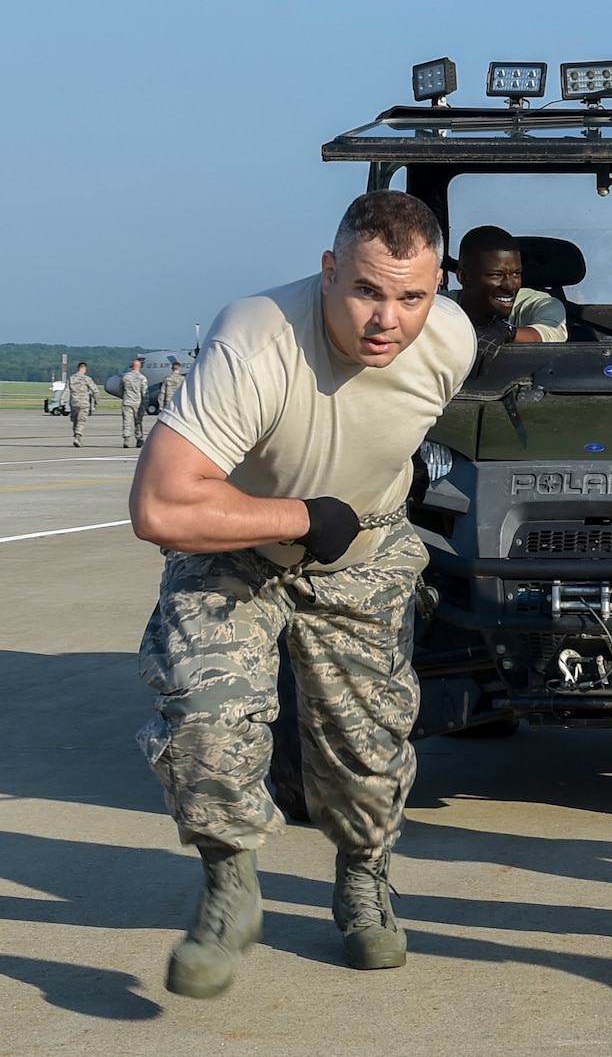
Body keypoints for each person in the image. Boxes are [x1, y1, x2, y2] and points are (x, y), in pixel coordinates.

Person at [131, 191, 475, 1000]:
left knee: (365, 746)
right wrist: (298, 515)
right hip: (235, 545)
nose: (386, 319)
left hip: (363, 550)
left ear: (437, 291)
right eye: (365, 290)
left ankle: (363, 876)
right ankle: (229, 883)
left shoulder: (449, 341)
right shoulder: (256, 341)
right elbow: (161, 504)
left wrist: (366, 504)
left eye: (411, 296)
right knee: (205, 711)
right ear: (328, 271)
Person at [451, 225, 568, 351]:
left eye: (516, 274)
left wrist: (505, 333)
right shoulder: (440, 306)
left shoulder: (541, 304)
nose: (510, 286)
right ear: (464, 277)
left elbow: (550, 334)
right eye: (496, 275)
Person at [63, 362, 98, 447]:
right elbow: (95, 391)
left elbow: (67, 390)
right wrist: (97, 401)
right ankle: (77, 436)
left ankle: (76, 436)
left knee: (75, 421)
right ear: (84, 369)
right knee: (81, 421)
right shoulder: (87, 379)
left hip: (74, 403)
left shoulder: (72, 378)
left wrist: (62, 400)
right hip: (84, 403)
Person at [121, 357, 149, 448]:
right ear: (139, 367)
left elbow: (121, 389)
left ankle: (126, 439)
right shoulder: (142, 378)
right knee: (138, 422)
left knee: (126, 421)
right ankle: (139, 439)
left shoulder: (125, 377)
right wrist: (145, 405)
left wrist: (124, 397)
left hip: (127, 401)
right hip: (138, 403)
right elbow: (145, 393)